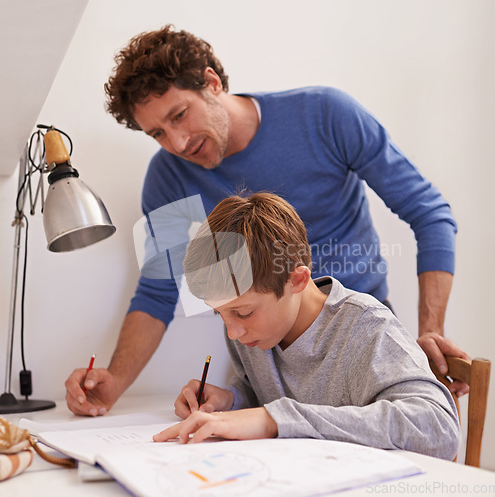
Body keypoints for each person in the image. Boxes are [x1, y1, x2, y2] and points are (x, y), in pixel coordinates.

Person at [64, 24, 468, 417]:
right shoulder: (168, 176)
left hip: (353, 350)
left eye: (180, 115)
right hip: (264, 367)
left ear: (212, 82)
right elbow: (158, 290)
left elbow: (428, 212)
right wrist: (114, 380)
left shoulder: (325, 115)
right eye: (156, 133)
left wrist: (429, 329)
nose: (177, 143)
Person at [152, 192, 460, 460]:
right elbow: (265, 389)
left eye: (242, 313)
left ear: (297, 280)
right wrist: (232, 398)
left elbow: (439, 429)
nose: (232, 332)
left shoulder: (366, 327)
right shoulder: (251, 329)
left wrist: (275, 420)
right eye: (220, 314)